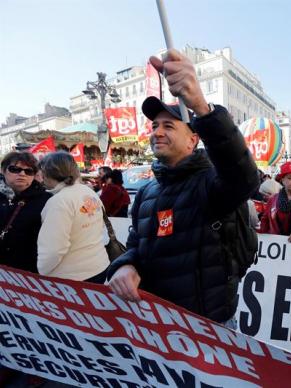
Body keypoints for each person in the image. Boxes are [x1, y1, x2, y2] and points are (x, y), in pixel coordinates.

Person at [107, 49, 259, 327]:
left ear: (192, 140)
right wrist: (125, 265)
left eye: (169, 125)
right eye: (154, 126)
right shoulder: (145, 194)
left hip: (208, 329)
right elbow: (136, 246)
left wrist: (200, 105)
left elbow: (244, 177)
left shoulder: (211, 183)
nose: (157, 132)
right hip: (156, 324)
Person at [37, 151, 109, 283]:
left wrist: (42, 271)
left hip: (72, 276)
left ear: (47, 173)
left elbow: (53, 249)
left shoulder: (58, 201)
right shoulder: (87, 191)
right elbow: (100, 225)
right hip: (99, 265)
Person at [0, 152, 51, 273]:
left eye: (29, 171)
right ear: (3, 170)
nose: (22, 174)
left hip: (29, 273)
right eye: (15, 169)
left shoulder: (47, 200)